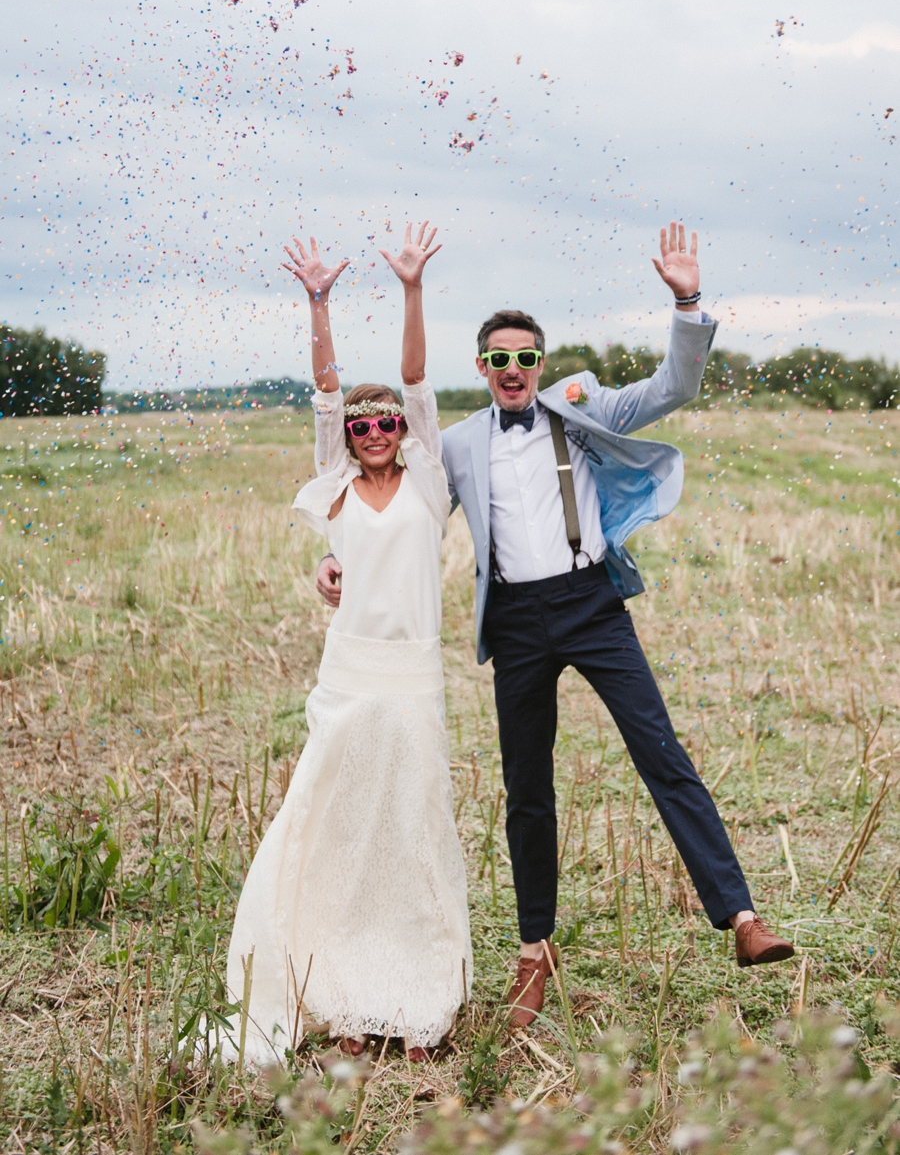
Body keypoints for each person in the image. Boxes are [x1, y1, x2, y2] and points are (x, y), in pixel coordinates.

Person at [317, 221, 793, 1031]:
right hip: (517, 621)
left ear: (540, 364)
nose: (512, 370)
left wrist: (686, 300)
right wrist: (336, 560)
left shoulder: (579, 404)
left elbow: (671, 387)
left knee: (662, 753)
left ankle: (742, 916)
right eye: (498, 359)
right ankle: (535, 950)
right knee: (527, 791)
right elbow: (398, 501)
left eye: (524, 358)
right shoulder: (461, 443)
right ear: (482, 368)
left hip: (591, 604)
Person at [224, 222, 471, 1064]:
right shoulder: (333, 484)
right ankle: (345, 997)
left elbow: (414, 374)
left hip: (412, 679)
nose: (371, 430)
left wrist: (411, 289)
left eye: (384, 422)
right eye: (361, 424)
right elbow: (326, 389)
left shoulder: (431, 479)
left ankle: (418, 1000)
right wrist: (319, 302)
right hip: (347, 676)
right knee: (339, 827)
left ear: (404, 429)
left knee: (409, 825)